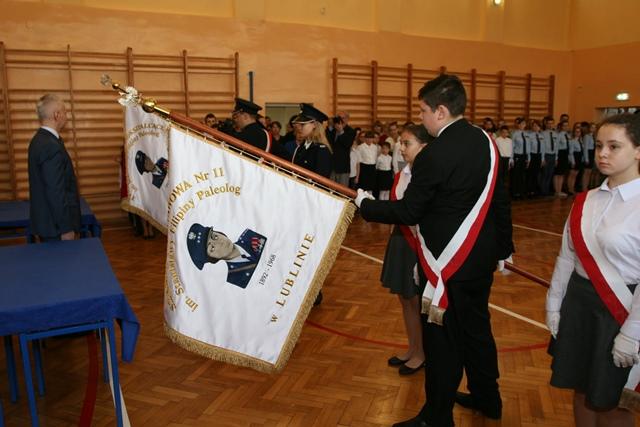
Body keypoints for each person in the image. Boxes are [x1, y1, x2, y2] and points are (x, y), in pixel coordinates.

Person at [356, 74, 513, 427]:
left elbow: (409, 211)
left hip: (446, 264)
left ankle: (436, 418)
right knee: (477, 331)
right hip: (480, 259)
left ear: (441, 111)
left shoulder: (434, 154)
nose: (422, 117)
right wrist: (505, 247)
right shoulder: (485, 141)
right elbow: (500, 198)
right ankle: (489, 399)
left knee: (442, 342)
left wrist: (365, 206)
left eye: (424, 110)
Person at [546, 113, 640, 427]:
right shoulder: (585, 201)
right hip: (579, 304)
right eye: (599, 145)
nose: (602, 153)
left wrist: (631, 333)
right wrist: (554, 305)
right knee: (581, 387)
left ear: (638, 150)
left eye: (614, 146)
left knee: (613, 400)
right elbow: (566, 257)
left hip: (621, 312)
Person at [382, 124, 432, 376]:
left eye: (407, 143)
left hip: (418, 242)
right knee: (404, 298)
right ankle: (412, 348)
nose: (401, 148)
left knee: (415, 299)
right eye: (400, 143)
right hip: (400, 238)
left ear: (424, 146)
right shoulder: (402, 174)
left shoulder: (428, 175)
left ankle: (422, 353)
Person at [28, 93, 80, 242]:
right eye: (64, 111)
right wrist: (66, 228)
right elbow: (55, 191)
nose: (66, 116)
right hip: (56, 227)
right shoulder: (50, 146)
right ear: (57, 115)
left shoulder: (39, 140)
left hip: (47, 223)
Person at [187, 223, 267, 289]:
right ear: (212, 258)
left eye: (215, 236)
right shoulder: (236, 278)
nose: (219, 243)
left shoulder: (251, 235)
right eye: (212, 248)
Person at [291, 103, 333, 179]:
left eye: (303, 125)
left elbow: (321, 181)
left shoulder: (321, 150)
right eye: (299, 125)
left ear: (314, 124)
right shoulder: (301, 147)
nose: (299, 128)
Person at [329, 115, 355, 187]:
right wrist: (330, 126)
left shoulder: (351, 131)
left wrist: (341, 132)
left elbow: (348, 144)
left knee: (342, 190)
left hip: (343, 167)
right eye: (339, 118)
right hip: (332, 165)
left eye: (343, 118)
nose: (340, 121)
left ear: (347, 119)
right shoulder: (333, 130)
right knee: (331, 188)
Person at [566, 122, 585, 195]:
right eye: (576, 132)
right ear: (574, 133)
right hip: (574, 157)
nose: (578, 133)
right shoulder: (572, 141)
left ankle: (573, 188)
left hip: (579, 157)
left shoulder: (581, 140)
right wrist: (572, 161)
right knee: (572, 174)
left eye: (579, 132)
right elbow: (570, 152)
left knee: (576, 174)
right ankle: (570, 188)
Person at [554, 120, 570, 197]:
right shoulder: (559, 135)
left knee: (562, 173)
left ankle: (560, 190)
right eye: (564, 126)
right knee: (558, 173)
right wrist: (556, 157)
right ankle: (557, 191)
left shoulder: (568, 135)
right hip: (560, 154)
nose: (566, 127)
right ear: (561, 127)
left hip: (565, 154)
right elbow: (556, 147)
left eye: (567, 125)